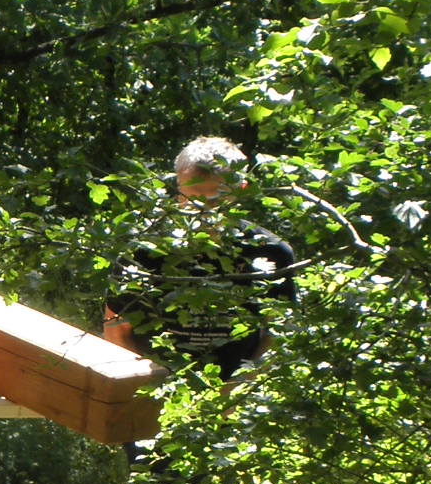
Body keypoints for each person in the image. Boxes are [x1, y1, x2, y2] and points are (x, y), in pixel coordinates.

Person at [103, 136, 297, 376]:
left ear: (242, 189)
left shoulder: (271, 251)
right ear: (178, 187)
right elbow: (116, 330)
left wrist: (240, 388)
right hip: (152, 387)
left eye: (216, 199)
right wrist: (142, 389)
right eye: (194, 198)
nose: (205, 210)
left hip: (236, 393)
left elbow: (278, 333)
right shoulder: (144, 251)